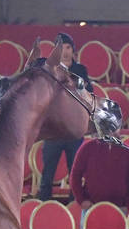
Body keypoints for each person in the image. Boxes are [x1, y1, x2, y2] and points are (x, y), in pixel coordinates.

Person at [36, 32, 90, 201]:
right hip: (54, 131)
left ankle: (75, 205)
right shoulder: (48, 70)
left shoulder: (80, 70)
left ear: (73, 50)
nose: (65, 51)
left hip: (73, 130)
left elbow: (87, 94)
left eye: (68, 47)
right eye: (61, 48)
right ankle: (42, 206)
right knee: (48, 174)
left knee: (75, 172)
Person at [68, 138, 129, 213]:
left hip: (119, 208)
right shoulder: (87, 147)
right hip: (91, 207)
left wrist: (126, 204)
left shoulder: (127, 151)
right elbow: (75, 175)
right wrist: (81, 200)